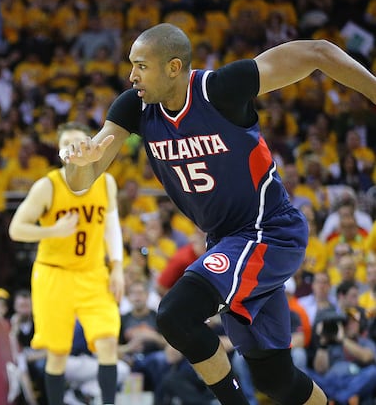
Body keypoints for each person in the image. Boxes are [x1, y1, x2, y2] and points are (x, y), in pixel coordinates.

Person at [61, 23, 376, 404]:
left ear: (173, 67)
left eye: (141, 66)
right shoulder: (134, 107)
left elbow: (317, 52)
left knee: (176, 314)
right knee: (275, 380)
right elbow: (82, 181)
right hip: (228, 243)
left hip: (268, 231)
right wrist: (81, 162)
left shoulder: (222, 89)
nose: (131, 76)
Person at [9, 122, 125, 405]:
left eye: (78, 140)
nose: (73, 147)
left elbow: (111, 226)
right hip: (54, 275)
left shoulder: (105, 181)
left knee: (109, 340)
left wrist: (118, 267)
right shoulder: (47, 186)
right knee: (58, 352)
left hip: (93, 271)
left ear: (89, 144)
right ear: (61, 152)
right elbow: (16, 229)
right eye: (66, 143)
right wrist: (51, 231)